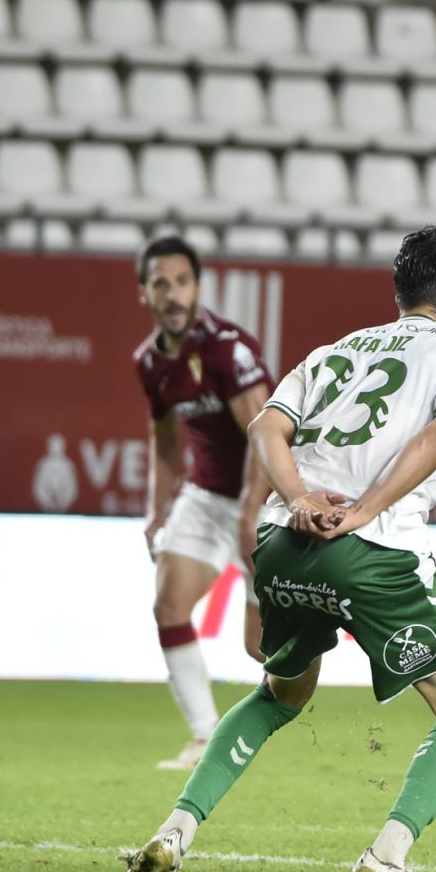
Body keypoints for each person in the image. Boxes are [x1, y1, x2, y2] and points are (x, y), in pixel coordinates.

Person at [125, 227, 436, 872]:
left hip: (283, 541)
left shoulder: (336, 350)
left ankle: (174, 831)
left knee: (280, 694)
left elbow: (267, 428)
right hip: (372, 549)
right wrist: (365, 511)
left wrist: (298, 496)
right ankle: (386, 858)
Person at [133, 236, 273, 769]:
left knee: (258, 649)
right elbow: (166, 439)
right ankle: (205, 736)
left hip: (265, 498)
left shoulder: (228, 349)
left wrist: (250, 512)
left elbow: (264, 433)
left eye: (182, 282)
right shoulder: (150, 363)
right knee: (167, 604)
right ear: (144, 292)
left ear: (197, 287)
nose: (172, 294)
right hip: (208, 496)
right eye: (160, 284)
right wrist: (157, 509)